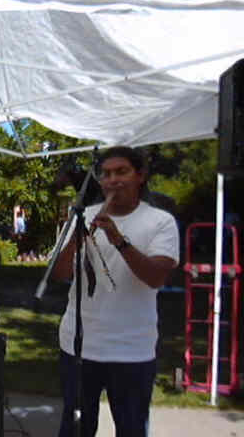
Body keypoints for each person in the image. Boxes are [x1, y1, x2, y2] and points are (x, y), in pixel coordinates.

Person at [52, 146, 179, 437]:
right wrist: (78, 238)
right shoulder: (81, 216)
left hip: (131, 350)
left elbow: (156, 277)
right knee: (74, 428)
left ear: (141, 176)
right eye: (106, 174)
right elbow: (58, 274)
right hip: (78, 346)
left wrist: (118, 239)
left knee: (131, 428)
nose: (112, 180)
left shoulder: (160, 222)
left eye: (121, 172)